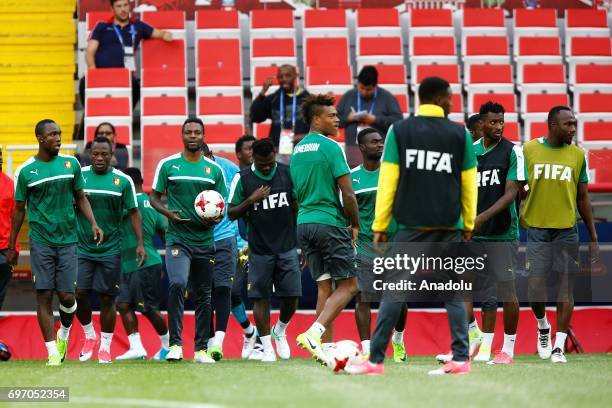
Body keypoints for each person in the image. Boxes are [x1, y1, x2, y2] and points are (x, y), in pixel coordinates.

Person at [348, 77, 477, 376]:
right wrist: (467, 222)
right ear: (440, 98)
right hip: (448, 225)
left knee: (394, 290)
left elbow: (388, 179)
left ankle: (375, 361)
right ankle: (460, 359)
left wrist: (381, 224)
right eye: (450, 98)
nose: (452, 103)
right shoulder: (460, 134)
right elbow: (469, 182)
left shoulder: (400, 131)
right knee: (452, 290)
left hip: (410, 225)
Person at [7, 119, 103, 366]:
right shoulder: (26, 171)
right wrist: (12, 245)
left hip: (69, 240)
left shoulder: (71, 164)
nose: (58, 138)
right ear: (40, 138)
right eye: (52, 135)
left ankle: (64, 332)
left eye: (59, 134)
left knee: (68, 298)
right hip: (41, 241)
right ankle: (51, 352)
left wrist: (93, 222)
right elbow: (18, 211)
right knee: (44, 295)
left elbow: (80, 197)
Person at [438, 102, 526, 365]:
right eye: (493, 122)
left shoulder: (513, 151)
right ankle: (477, 340)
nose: (498, 126)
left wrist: (482, 217)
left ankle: (507, 349)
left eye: (501, 121)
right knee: (465, 287)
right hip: (473, 234)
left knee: (507, 292)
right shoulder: (468, 152)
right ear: (481, 124)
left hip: (502, 234)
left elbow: (511, 194)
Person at [521, 106, 598, 364]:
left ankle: (558, 346)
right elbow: (517, 187)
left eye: (574, 124)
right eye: (568, 125)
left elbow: (583, 198)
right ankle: (543, 326)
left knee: (566, 287)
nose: (573, 129)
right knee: (534, 287)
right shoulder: (529, 150)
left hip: (567, 230)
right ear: (553, 125)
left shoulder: (577, 155)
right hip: (537, 230)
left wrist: (594, 236)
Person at [290, 94, 360, 365]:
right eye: (332, 116)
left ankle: (323, 349)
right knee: (350, 286)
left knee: (324, 288)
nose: (337, 119)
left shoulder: (297, 150)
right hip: (329, 222)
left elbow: (296, 196)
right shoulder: (331, 147)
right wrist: (354, 224)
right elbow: (349, 194)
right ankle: (314, 333)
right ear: (316, 119)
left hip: (305, 223)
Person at [149, 117, 227, 363]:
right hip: (177, 239)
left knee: (204, 294)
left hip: (204, 240)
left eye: (197, 132)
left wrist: (215, 218)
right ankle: (175, 345)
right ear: (182, 136)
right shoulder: (168, 165)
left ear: (203, 136)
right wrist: (167, 213)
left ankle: (201, 349)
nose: (192, 136)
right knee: (177, 284)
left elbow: (222, 204)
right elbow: (154, 198)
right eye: (188, 132)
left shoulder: (213, 170)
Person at [228, 138, 302, 362]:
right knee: (261, 299)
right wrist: (251, 200)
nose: (267, 167)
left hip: (287, 246)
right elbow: (231, 213)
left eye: (270, 163)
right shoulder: (243, 179)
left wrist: (303, 244)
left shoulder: (288, 173)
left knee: (292, 296)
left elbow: (298, 206)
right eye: (262, 165)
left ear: (275, 155)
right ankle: (267, 348)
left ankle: (280, 330)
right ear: (254, 159)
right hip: (259, 249)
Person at [75, 137, 145, 364]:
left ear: (111, 154)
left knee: (107, 299)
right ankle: (89, 336)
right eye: (95, 154)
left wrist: (141, 243)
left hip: (111, 249)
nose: (99, 158)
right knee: (78, 294)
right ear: (89, 154)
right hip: (82, 247)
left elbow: (134, 213)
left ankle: (105, 346)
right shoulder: (80, 176)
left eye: (104, 154)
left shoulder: (122, 181)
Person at [350, 128, 407, 361]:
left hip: (395, 247)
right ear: (362, 147)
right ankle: (366, 348)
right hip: (364, 246)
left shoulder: (393, 174)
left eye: (382, 141)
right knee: (363, 298)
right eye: (374, 142)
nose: (380, 144)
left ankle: (399, 340)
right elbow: (347, 214)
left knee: (398, 299)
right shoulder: (352, 177)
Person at [116, 167, 170, 361]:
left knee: (148, 308)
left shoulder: (128, 203)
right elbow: (164, 231)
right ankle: (137, 347)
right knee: (123, 304)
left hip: (141, 262)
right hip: (139, 263)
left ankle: (168, 346)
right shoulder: (152, 202)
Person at [80, 0, 173, 106]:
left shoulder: (138, 26)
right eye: (119, 6)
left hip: (124, 75)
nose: (123, 9)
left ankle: (128, 115)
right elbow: (90, 50)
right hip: (101, 73)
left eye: (125, 5)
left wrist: (165, 35)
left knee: (135, 86)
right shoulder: (102, 26)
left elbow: (158, 33)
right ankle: (87, 114)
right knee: (84, 82)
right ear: (112, 9)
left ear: (130, 7)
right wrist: (93, 71)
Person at [201, 144, 240, 361]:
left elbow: (240, 202)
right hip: (199, 240)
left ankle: (218, 340)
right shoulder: (190, 172)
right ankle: (207, 341)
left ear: (211, 155)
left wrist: (240, 238)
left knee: (224, 288)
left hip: (225, 237)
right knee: (204, 291)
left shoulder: (230, 170)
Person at [231, 135, 261, 359]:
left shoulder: (266, 179)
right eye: (248, 149)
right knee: (231, 292)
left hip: (263, 245)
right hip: (238, 245)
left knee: (262, 294)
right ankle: (250, 332)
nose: (252, 151)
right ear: (238, 154)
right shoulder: (234, 180)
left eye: (254, 148)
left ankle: (266, 343)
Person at [337, 65, 403, 166]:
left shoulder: (387, 97)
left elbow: (398, 122)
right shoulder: (349, 96)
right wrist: (348, 118)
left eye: (368, 89)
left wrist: (375, 120)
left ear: (375, 86)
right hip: (353, 149)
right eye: (361, 88)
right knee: (355, 179)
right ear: (357, 83)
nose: (364, 92)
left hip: (379, 149)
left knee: (377, 179)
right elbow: (335, 120)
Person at [250, 65, 310, 151]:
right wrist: (263, 92)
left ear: (295, 76)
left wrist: (302, 137)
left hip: (302, 149)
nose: (284, 79)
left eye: (288, 75)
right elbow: (255, 117)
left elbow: (317, 127)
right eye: (280, 76)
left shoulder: (307, 99)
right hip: (277, 150)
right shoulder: (274, 98)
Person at [0, 149, 19, 310]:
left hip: (4, 250)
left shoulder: (10, 184)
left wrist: (15, 248)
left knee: (0, 294)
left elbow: (16, 219)